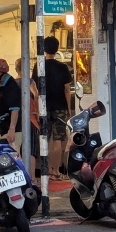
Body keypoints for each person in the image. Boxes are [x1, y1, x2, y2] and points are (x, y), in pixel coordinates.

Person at [41, 37, 74, 179]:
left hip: (44, 108)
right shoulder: (63, 67)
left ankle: (46, 169)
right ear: (57, 48)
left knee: (45, 139)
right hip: (60, 108)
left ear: (44, 49)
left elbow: (35, 88)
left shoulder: (39, 66)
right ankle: (56, 171)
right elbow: (67, 90)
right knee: (58, 140)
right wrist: (69, 109)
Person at [0, 59, 22, 150]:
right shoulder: (3, 86)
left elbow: (15, 109)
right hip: (5, 129)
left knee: (12, 158)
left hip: (12, 131)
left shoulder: (10, 86)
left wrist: (12, 129)